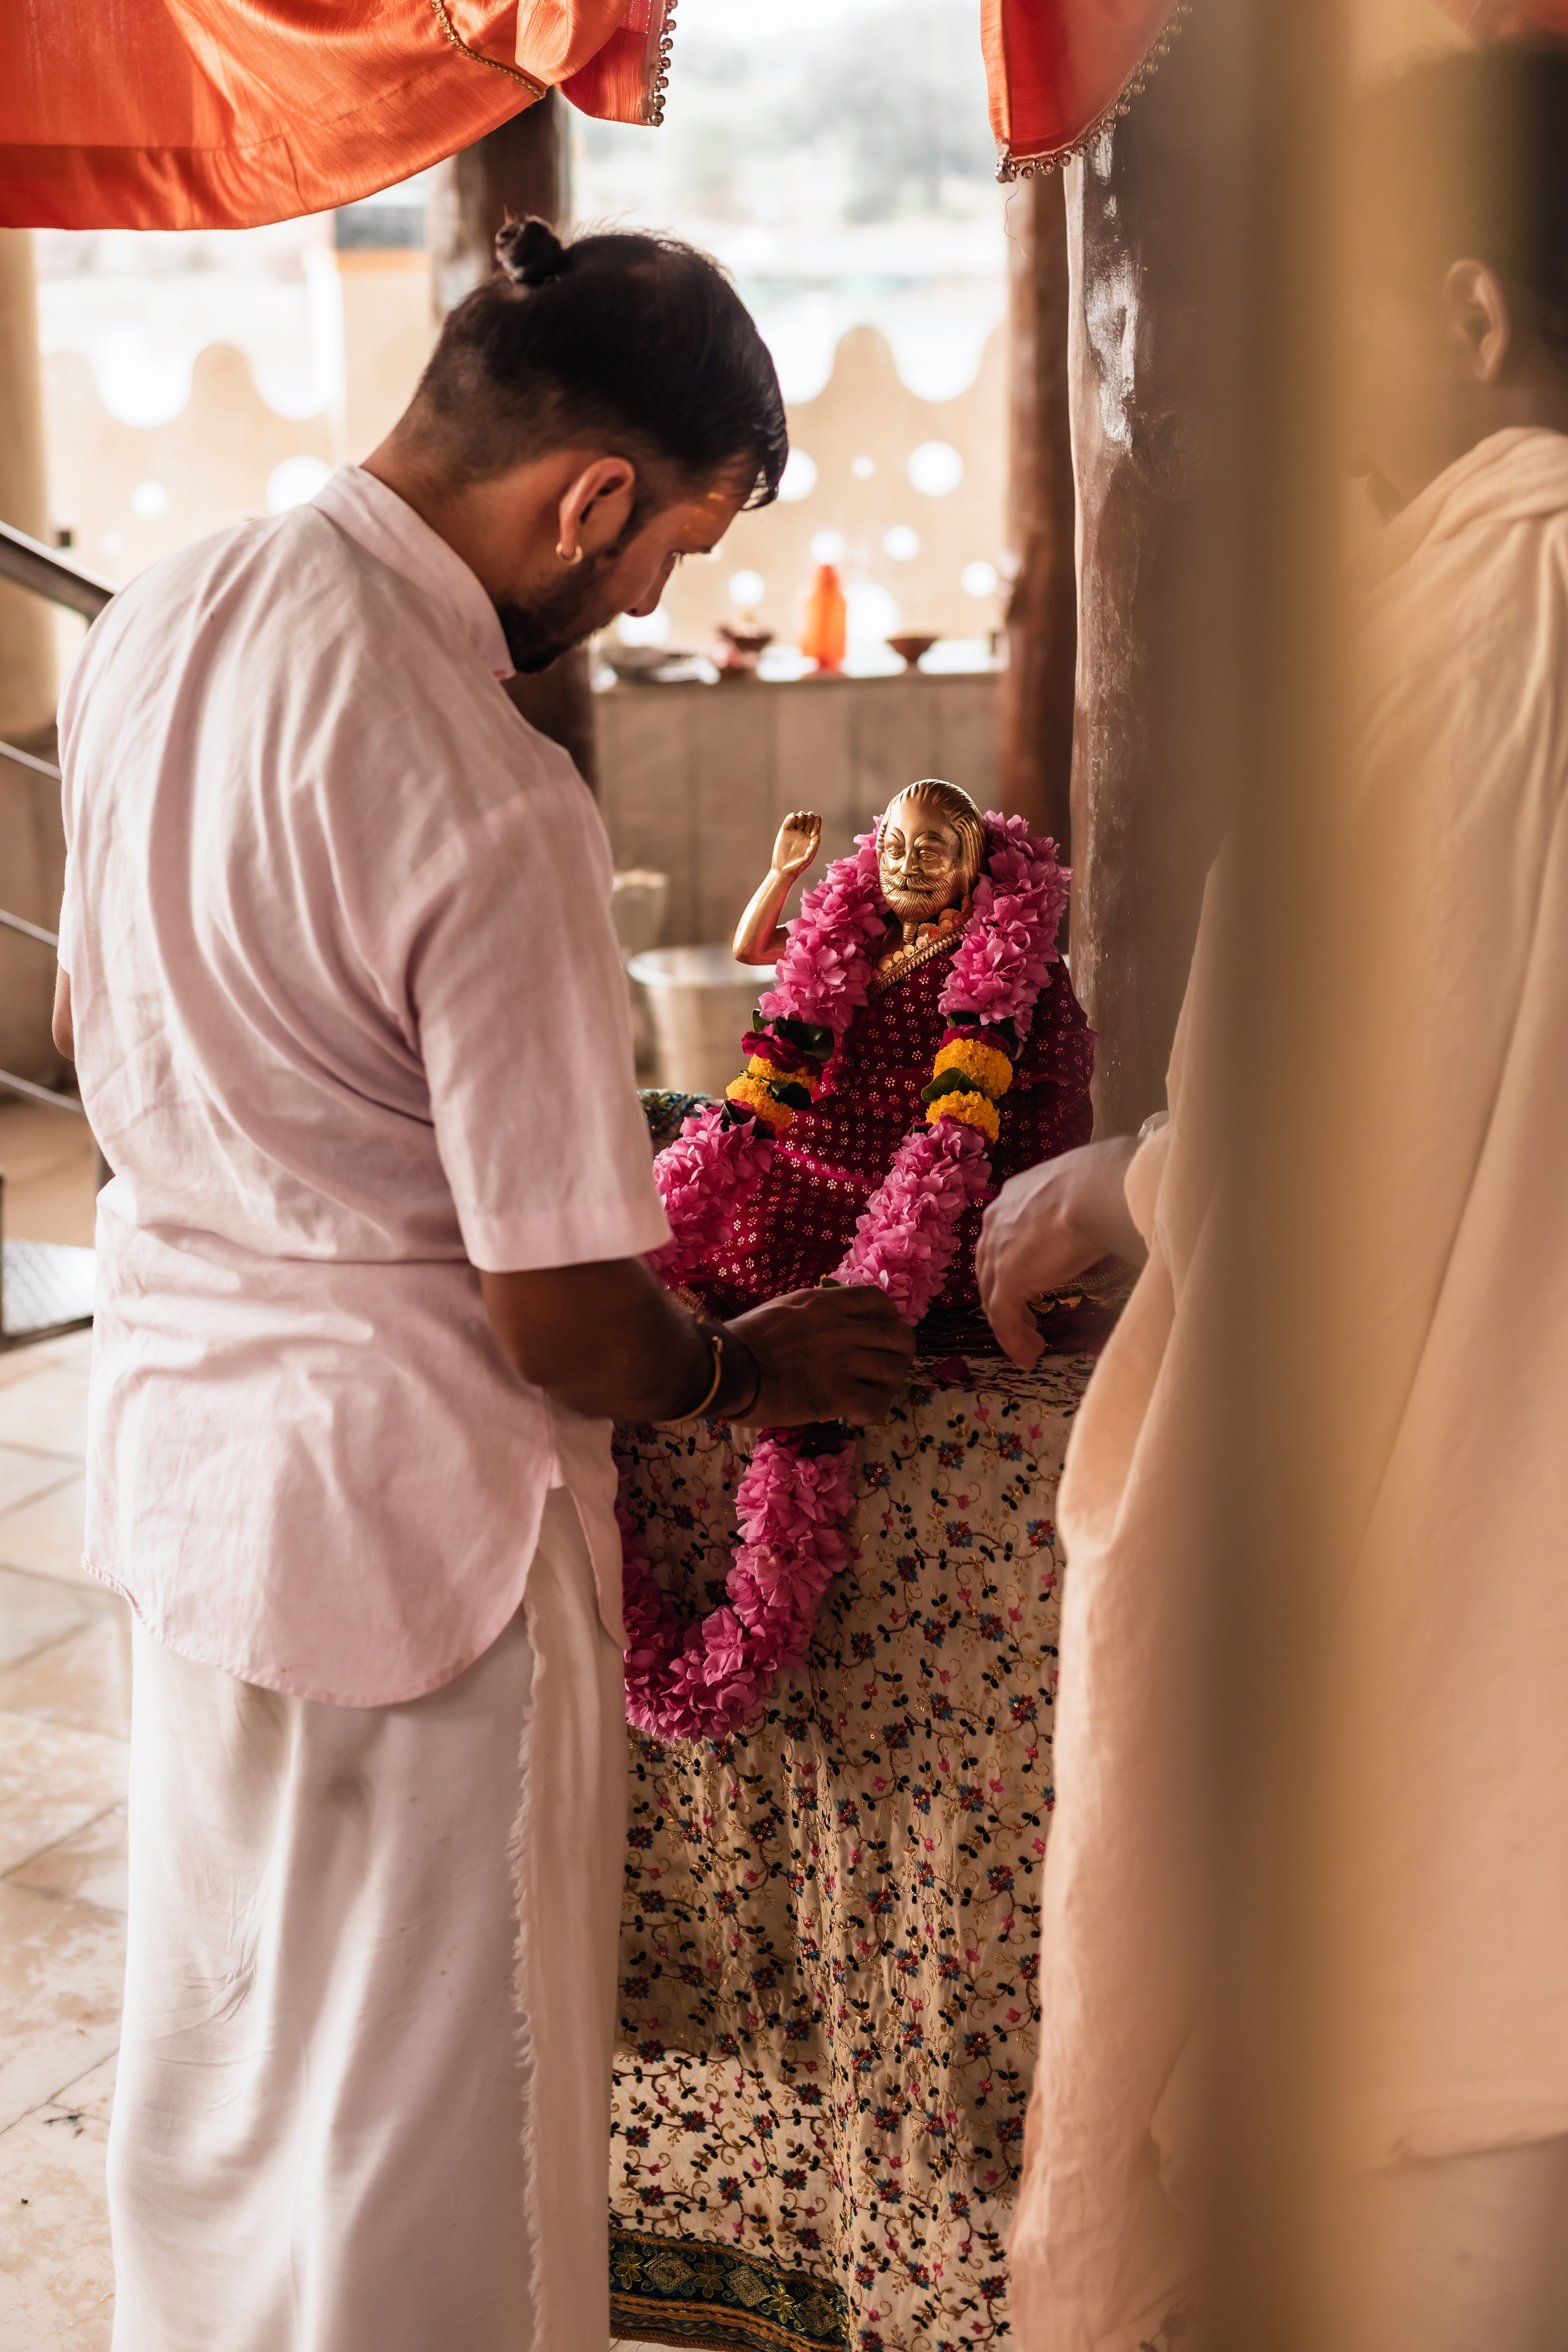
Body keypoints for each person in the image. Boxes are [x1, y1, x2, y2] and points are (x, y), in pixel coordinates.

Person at [55, 216, 913, 2352]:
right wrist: (742, 1361)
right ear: (597, 492)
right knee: (437, 2103)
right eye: (672, 551)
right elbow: (567, 1320)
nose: (647, 602)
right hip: (420, 1520)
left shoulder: (163, 613)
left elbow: (93, 1040)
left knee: (235, 2045)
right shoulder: (488, 791)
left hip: (189, 1455)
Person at [981, 40, 1568, 2352]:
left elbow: (1331, 1164)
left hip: (1469, 1748)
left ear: (1453, 313)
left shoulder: (1458, 629)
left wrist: (1137, 1190)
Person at [682, 781, 1095, 1337]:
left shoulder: (1005, 954)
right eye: (894, 849)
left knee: (935, 1241)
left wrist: (999, 1167)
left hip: (928, 1153)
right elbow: (751, 950)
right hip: (824, 1134)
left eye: (929, 852)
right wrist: (782, 873)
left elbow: (1057, 1077)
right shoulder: (859, 932)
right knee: (746, 1206)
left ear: (970, 865)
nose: (905, 867)